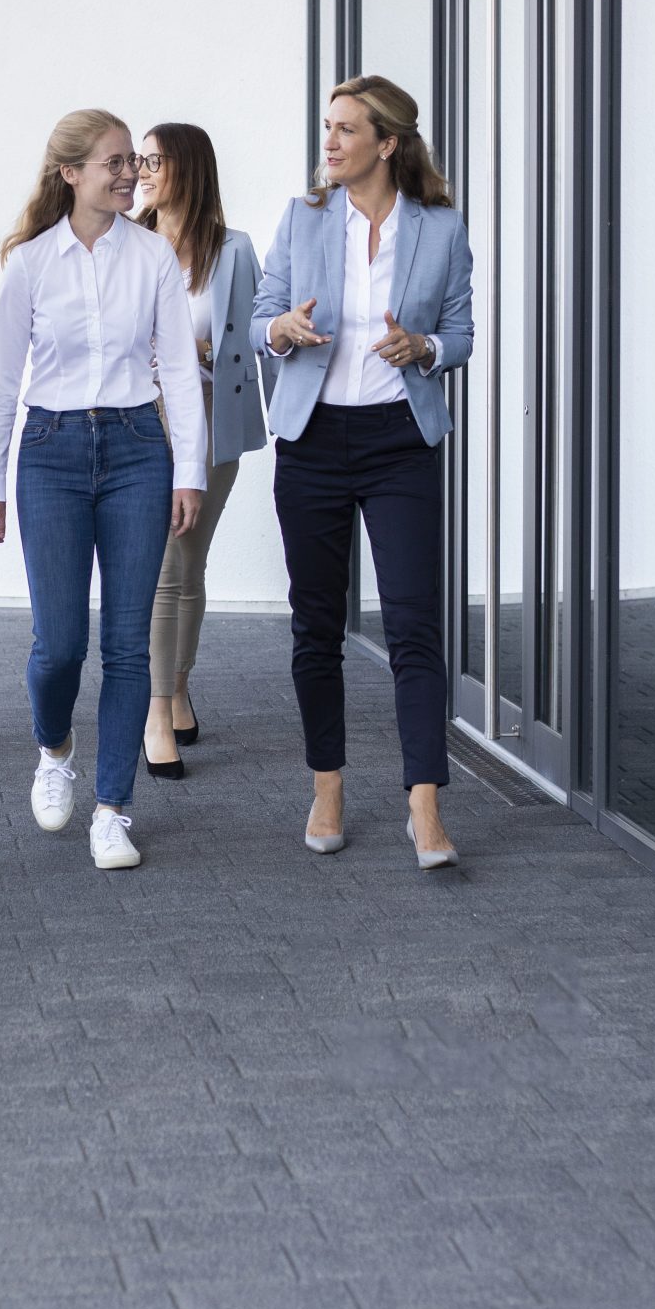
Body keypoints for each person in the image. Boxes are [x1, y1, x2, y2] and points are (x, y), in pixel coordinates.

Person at [0, 109, 206, 870]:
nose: (129, 173)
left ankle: (112, 809)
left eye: (130, 163)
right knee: (58, 645)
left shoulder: (153, 258)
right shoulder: (32, 263)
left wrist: (188, 470)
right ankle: (53, 749)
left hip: (139, 448)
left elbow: (176, 370)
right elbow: (2, 379)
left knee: (126, 645)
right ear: (69, 173)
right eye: (112, 162)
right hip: (51, 451)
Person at [253, 74, 473, 866]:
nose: (330, 143)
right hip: (310, 440)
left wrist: (426, 349)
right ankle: (327, 783)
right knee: (316, 625)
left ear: (387, 142)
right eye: (327, 128)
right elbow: (259, 318)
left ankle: (424, 805)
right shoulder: (302, 218)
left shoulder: (439, 229)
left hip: (399, 442)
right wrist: (281, 329)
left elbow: (461, 332)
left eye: (346, 129)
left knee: (414, 623)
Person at [135, 123, 271, 777]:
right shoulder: (125, 245)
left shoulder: (233, 250)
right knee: (165, 569)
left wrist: (202, 354)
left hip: (213, 432)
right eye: (139, 159)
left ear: (185, 169)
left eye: (154, 160)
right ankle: (157, 709)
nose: (142, 170)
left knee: (189, 568)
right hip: (142, 433)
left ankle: (177, 682)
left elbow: (256, 341)